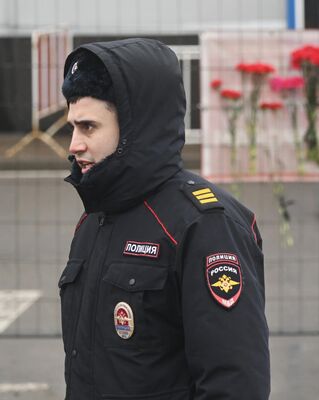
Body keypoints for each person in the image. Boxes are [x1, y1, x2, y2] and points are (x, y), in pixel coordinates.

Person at [58, 38, 270, 399]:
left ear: (135, 128)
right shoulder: (95, 218)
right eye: (72, 127)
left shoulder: (204, 225)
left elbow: (234, 384)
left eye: (89, 127)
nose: (73, 144)